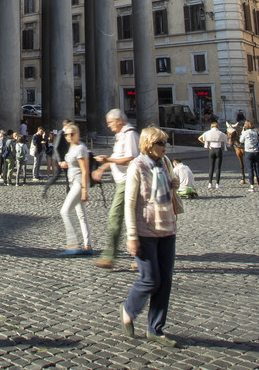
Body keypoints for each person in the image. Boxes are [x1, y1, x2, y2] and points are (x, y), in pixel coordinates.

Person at [120, 126, 181, 347]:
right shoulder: (137, 166)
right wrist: (131, 235)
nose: (165, 147)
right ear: (149, 145)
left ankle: (155, 329)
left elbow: (171, 188)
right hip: (145, 230)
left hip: (167, 227)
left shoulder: (164, 164)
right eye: (161, 143)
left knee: (165, 281)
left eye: (165, 143)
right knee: (150, 279)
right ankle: (128, 308)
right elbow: (129, 202)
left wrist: (175, 184)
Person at [93, 109, 139, 269]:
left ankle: (109, 256)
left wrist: (107, 159)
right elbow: (118, 158)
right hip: (122, 182)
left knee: (115, 216)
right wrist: (102, 167)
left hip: (129, 182)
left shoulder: (130, 135)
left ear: (119, 121)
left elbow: (131, 159)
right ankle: (142, 257)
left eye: (110, 122)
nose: (108, 126)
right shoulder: (120, 136)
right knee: (134, 218)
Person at [57, 123, 92, 256]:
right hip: (74, 182)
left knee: (65, 211)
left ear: (78, 134)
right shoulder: (72, 148)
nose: (69, 136)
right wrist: (65, 164)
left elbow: (85, 170)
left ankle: (73, 244)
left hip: (79, 183)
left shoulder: (81, 148)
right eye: (67, 135)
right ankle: (88, 245)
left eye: (72, 134)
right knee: (81, 215)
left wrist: (84, 190)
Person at [198, 119, 227, 189]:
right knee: (218, 168)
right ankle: (217, 183)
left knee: (211, 167)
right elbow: (225, 139)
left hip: (211, 150)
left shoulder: (208, 133)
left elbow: (200, 138)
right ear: (217, 127)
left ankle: (210, 183)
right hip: (218, 149)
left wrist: (207, 145)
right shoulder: (220, 133)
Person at [240, 120, 259, 191]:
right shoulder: (256, 132)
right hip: (256, 151)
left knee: (250, 169)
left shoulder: (245, 133)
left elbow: (241, 141)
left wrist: (242, 134)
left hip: (248, 152)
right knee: (257, 169)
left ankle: (252, 186)